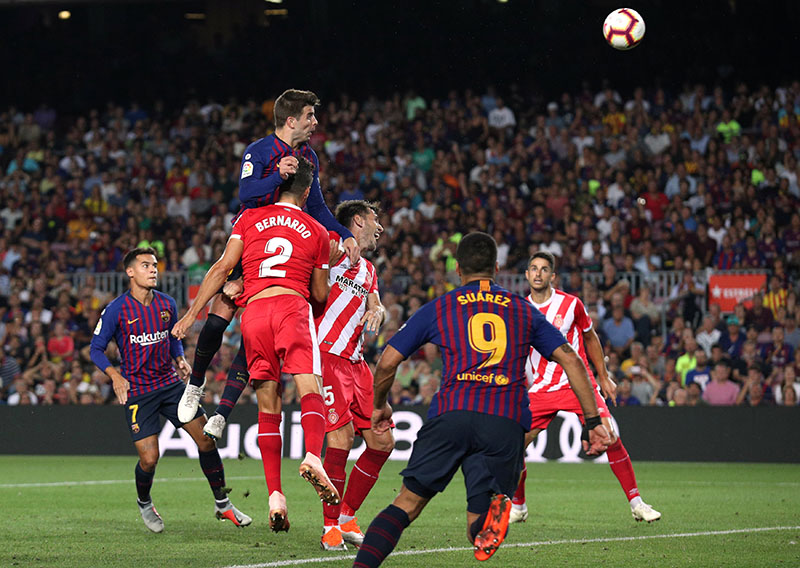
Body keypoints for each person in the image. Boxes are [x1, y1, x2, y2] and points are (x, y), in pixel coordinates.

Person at [352, 233, 611, 567]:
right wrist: (592, 421)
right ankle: (491, 518)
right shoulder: (523, 309)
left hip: (452, 414)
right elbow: (572, 361)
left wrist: (379, 406)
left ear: (458, 269)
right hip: (504, 423)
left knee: (407, 503)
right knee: (478, 522)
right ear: (497, 268)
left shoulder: (442, 306)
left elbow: (388, 361)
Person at [172, 158, 340, 533]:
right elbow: (319, 296)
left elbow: (220, 268)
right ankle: (313, 456)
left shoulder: (248, 218)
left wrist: (191, 315)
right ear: (307, 192)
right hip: (291, 307)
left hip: (255, 313)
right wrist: (325, 266)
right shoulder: (317, 230)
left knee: (268, 402)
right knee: (309, 386)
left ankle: (275, 497)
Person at [177, 89, 359, 432]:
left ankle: (223, 413)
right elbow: (246, 195)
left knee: (256, 332)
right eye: (309, 116)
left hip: (286, 244)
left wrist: (344, 233)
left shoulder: (309, 156)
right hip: (253, 240)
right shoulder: (259, 151)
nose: (315, 122)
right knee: (218, 320)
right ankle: (195, 384)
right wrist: (277, 175)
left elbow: (317, 207)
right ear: (291, 120)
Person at [89, 247, 251, 533]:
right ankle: (144, 502)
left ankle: (223, 503)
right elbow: (96, 349)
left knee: (206, 440)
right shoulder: (116, 309)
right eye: (145, 265)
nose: (153, 270)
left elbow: (171, 337)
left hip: (170, 386)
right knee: (149, 459)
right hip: (139, 392)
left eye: (154, 265)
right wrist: (115, 376)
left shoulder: (167, 304)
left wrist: (179, 358)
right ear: (130, 272)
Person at [509, 251, 661, 525]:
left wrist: (603, 376)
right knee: (513, 444)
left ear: (553, 276)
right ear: (527, 275)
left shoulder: (571, 304)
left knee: (608, 436)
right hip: (543, 387)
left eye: (544, 269)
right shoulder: (520, 310)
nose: (538, 273)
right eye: (533, 268)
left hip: (579, 384)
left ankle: (637, 503)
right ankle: (518, 507)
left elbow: (590, 338)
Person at [313, 201, 395, 551]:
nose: (380, 228)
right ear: (358, 221)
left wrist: (378, 310)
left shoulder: (369, 270)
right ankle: (330, 526)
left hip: (358, 364)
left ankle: (346, 516)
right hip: (327, 356)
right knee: (341, 440)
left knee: (382, 441)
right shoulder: (330, 252)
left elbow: (376, 304)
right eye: (375, 220)